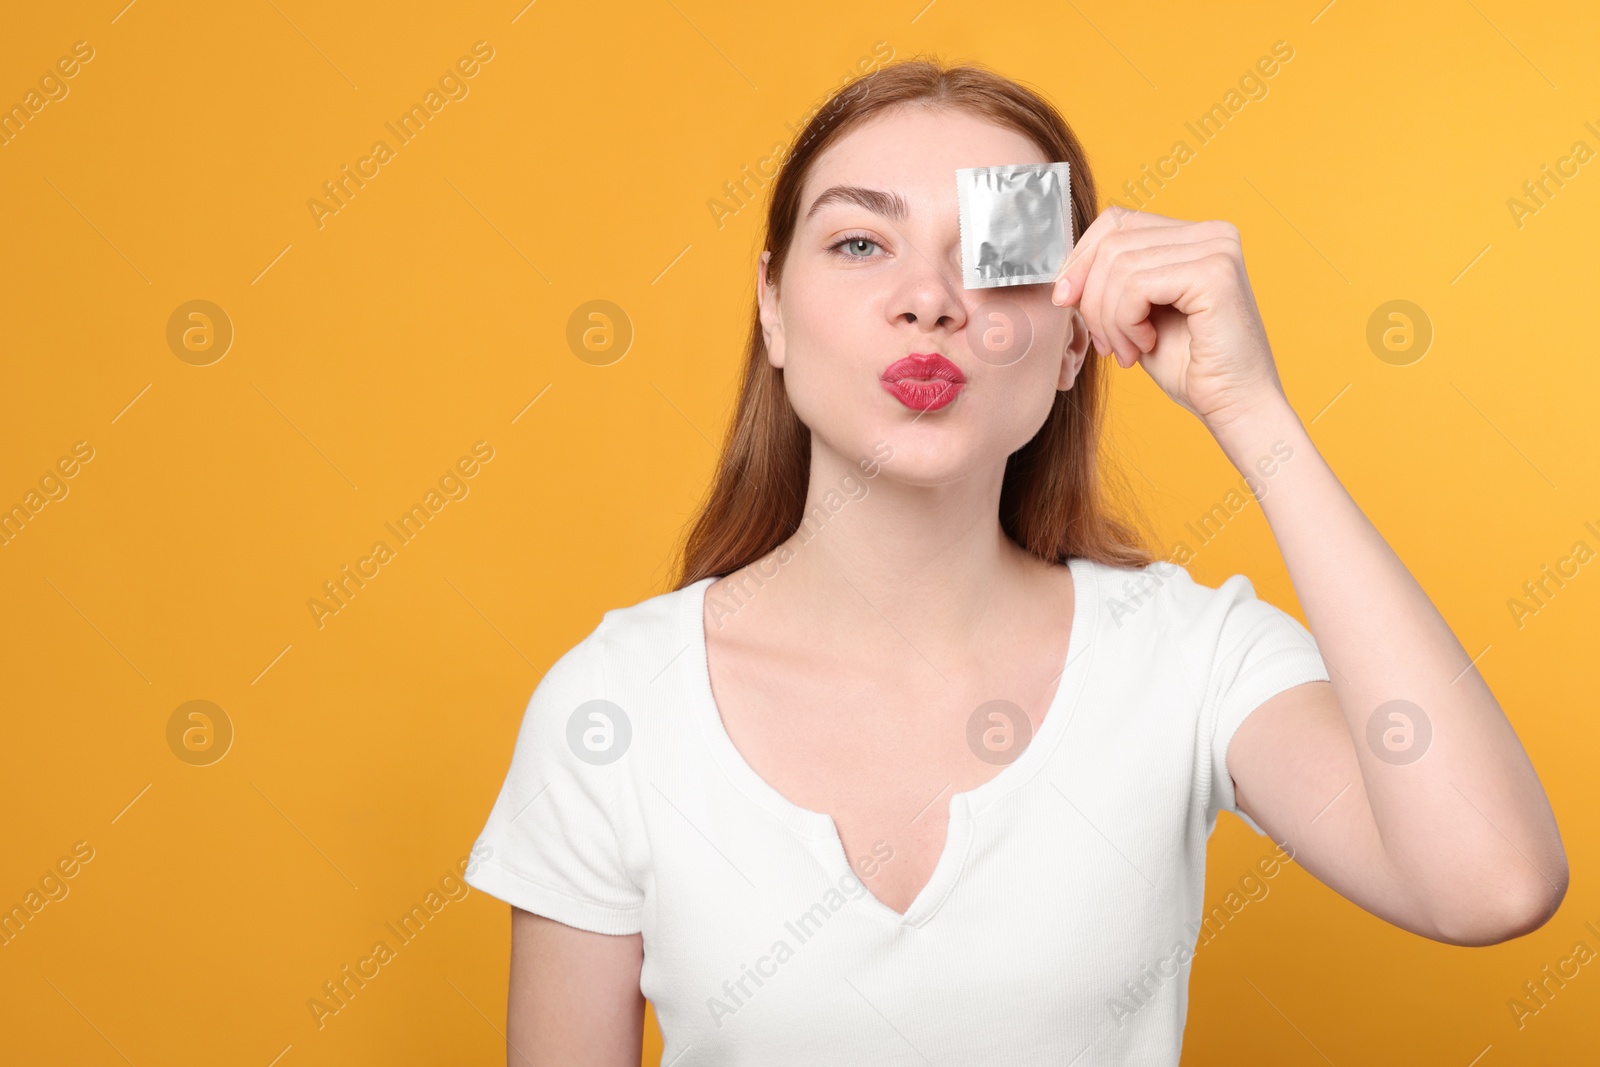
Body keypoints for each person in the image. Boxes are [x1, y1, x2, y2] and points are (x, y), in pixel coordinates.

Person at [463, 58, 1568, 1065]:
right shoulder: (614, 704)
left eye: (993, 257)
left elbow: (1491, 881)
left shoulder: (1181, 655)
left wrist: (1252, 410)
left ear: (1074, 338)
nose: (930, 300)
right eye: (859, 242)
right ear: (772, 307)